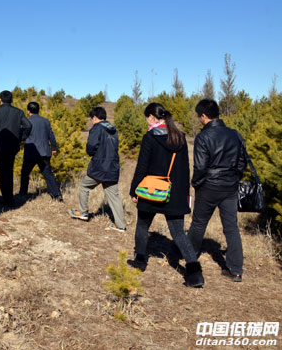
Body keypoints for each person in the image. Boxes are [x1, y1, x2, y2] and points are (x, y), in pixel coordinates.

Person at [128, 103, 203, 287]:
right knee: (178, 233)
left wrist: (134, 189)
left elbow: (142, 167)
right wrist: (184, 195)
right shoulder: (180, 138)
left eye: (147, 117)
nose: (146, 120)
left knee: (143, 225)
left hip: (151, 190)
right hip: (175, 192)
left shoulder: (149, 138)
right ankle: (195, 274)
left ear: (152, 117)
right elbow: (185, 170)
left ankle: (140, 262)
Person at [187, 99, 247, 282]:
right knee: (231, 227)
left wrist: (196, 184)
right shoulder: (235, 134)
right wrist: (233, 177)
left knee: (198, 223)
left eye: (199, 117)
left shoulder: (203, 137)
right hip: (230, 186)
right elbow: (242, 161)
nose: (199, 120)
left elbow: (200, 167)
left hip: (209, 186)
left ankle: (190, 257)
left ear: (204, 116)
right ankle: (236, 270)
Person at [68, 106, 126, 232]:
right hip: (112, 168)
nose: (91, 121)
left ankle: (83, 212)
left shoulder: (97, 128)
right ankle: (120, 225)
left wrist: (91, 153)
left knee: (84, 186)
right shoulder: (113, 130)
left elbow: (91, 147)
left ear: (94, 118)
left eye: (91, 119)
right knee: (114, 196)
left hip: (99, 168)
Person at [0, 90, 32, 207]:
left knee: (2, 172)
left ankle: (6, 199)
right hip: (13, 146)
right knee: (9, 171)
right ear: (11, 100)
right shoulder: (18, 112)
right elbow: (28, 125)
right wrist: (20, 137)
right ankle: (8, 198)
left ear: (0, 100)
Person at [18, 102, 63, 201]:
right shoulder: (45, 121)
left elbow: (22, 135)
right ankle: (57, 195)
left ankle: (22, 194)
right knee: (48, 174)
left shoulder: (27, 121)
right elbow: (51, 135)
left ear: (28, 111)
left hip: (31, 152)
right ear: (38, 110)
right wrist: (54, 148)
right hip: (44, 152)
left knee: (25, 173)